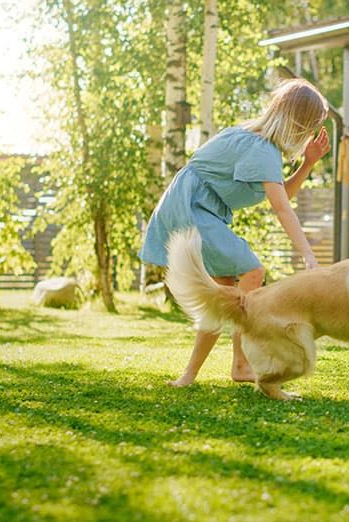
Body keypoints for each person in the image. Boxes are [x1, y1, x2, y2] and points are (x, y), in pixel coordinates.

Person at [140, 78, 331, 387]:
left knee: (224, 294)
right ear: (298, 123)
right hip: (191, 208)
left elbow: (281, 197)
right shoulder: (262, 149)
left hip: (197, 208)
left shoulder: (261, 145)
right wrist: (308, 254)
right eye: (311, 126)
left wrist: (308, 162)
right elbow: (282, 209)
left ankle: (189, 376)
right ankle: (241, 364)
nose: (310, 134)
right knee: (252, 269)